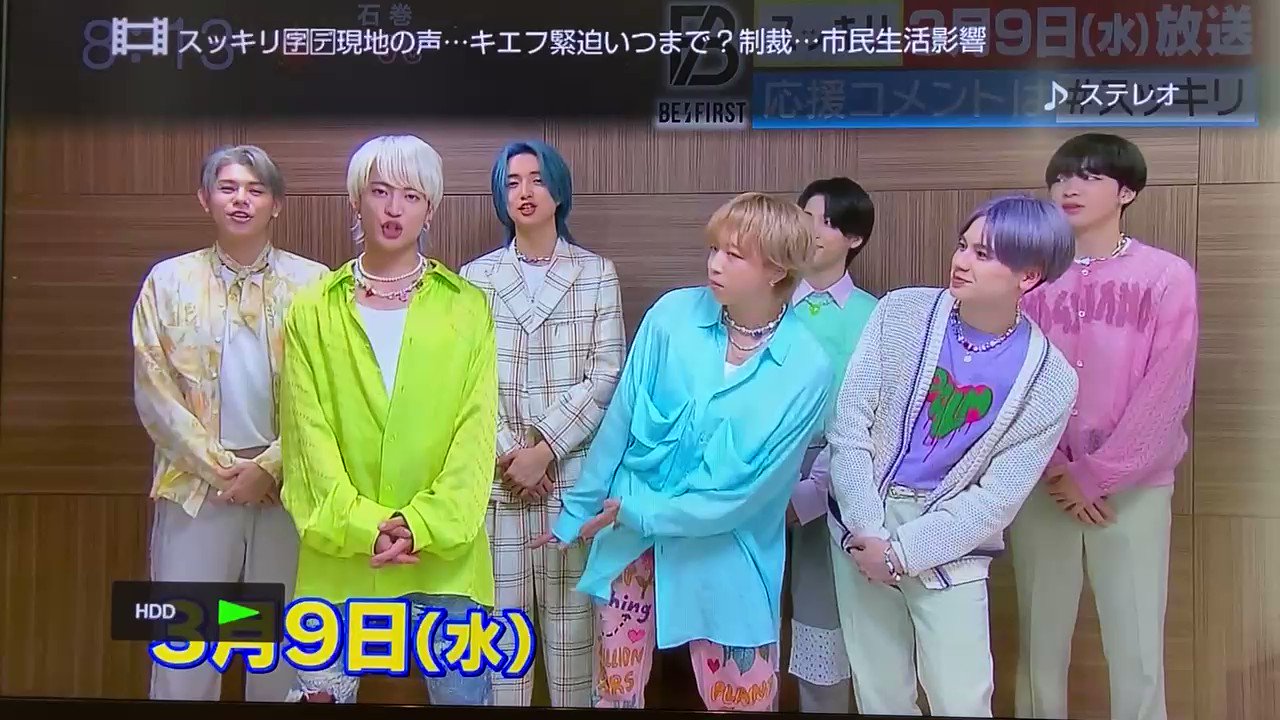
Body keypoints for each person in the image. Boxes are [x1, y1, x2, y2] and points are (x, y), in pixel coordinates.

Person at [530, 192, 831, 712]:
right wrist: (576, 512)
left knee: (741, 701)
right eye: (714, 248)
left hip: (729, 558)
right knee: (614, 695)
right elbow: (619, 422)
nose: (714, 264)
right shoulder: (670, 317)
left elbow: (750, 495)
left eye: (734, 255)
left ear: (776, 269)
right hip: (629, 539)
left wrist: (639, 512)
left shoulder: (808, 367)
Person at [825, 195, 1079, 718]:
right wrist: (868, 530)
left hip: (950, 539)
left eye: (983, 254)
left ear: (1028, 276)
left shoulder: (1049, 379)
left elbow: (997, 500)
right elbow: (849, 425)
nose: (961, 261)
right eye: (963, 246)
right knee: (879, 693)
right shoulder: (901, 312)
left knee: (961, 698)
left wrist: (903, 553)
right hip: (861, 521)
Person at [278, 134, 498, 705]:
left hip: (444, 560)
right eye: (379, 192)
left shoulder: (467, 307)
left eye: (411, 195)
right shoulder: (312, 309)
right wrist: (365, 525)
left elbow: (475, 439)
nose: (394, 208)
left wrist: (421, 524)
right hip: (338, 555)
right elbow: (306, 441)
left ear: (431, 208)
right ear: (357, 201)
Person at [1011, 134, 1198, 720]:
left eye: (1089, 177)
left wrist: (1097, 474)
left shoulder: (1166, 275)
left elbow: (1168, 388)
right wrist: (1055, 469)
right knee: (1039, 647)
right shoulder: (1026, 277)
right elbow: (1008, 379)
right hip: (1041, 486)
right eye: (1061, 177)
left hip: (1134, 492)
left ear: (1126, 192)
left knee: (1137, 649)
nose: (1069, 188)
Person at [132, 144, 328, 701]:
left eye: (255, 189)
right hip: (197, 492)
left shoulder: (314, 285)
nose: (241, 199)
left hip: (285, 493)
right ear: (205, 198)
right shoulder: (167, 282)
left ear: (276, 204)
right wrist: (223, 471)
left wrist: (269, 467)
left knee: (277, 648)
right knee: (186, 646)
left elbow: (329, 395)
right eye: (228, 187)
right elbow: (153, 390)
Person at [460, 140, 626, 708]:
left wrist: (545, 448)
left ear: (558, 190)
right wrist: (513, 455)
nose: (525, 192)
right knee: (499, 644)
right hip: (498, 481)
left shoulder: (596, 273)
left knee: (573, 642)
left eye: (536, 179)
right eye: (512, 182)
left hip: (570, 485)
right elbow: (466, 381)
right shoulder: (475, 278)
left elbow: (608, 374)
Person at [784, 177, 878, 713]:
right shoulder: (769, 303)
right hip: (760, 473)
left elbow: (875, 417)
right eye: (805, 218)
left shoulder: (874, 315)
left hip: (841, 478)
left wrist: (817, 488)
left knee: (824, 615)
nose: (811, 231)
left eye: (825, 221)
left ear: (854, 237)